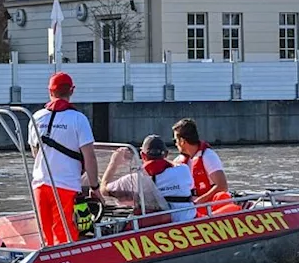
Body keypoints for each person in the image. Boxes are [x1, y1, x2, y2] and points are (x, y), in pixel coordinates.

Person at [29, 72, 99, 246]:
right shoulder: (78, 119)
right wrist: (95, 187)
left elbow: (35, 153)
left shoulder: (36, 117)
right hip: (66, 186)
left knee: (45, 235)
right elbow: (89, 157)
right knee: (66, 234)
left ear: (50, 92)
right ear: (72, 91)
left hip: (39, 184)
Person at [100, 135, 196, 223]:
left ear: (142, 155)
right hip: (187, 221)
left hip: (157, 225)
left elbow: (103, 190)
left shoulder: (134, 179)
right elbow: (188, 184)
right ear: (166, 154)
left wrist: (114, 163)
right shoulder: (183, 170)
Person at [172, 118, 231, 208]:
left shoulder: (208, 156)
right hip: (192, 206)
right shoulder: (179, 161)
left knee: (222, 197)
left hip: (209, 207)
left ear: (182, 141)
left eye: (175, 140)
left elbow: (222, 186)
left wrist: (198, 202)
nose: (175, 144)